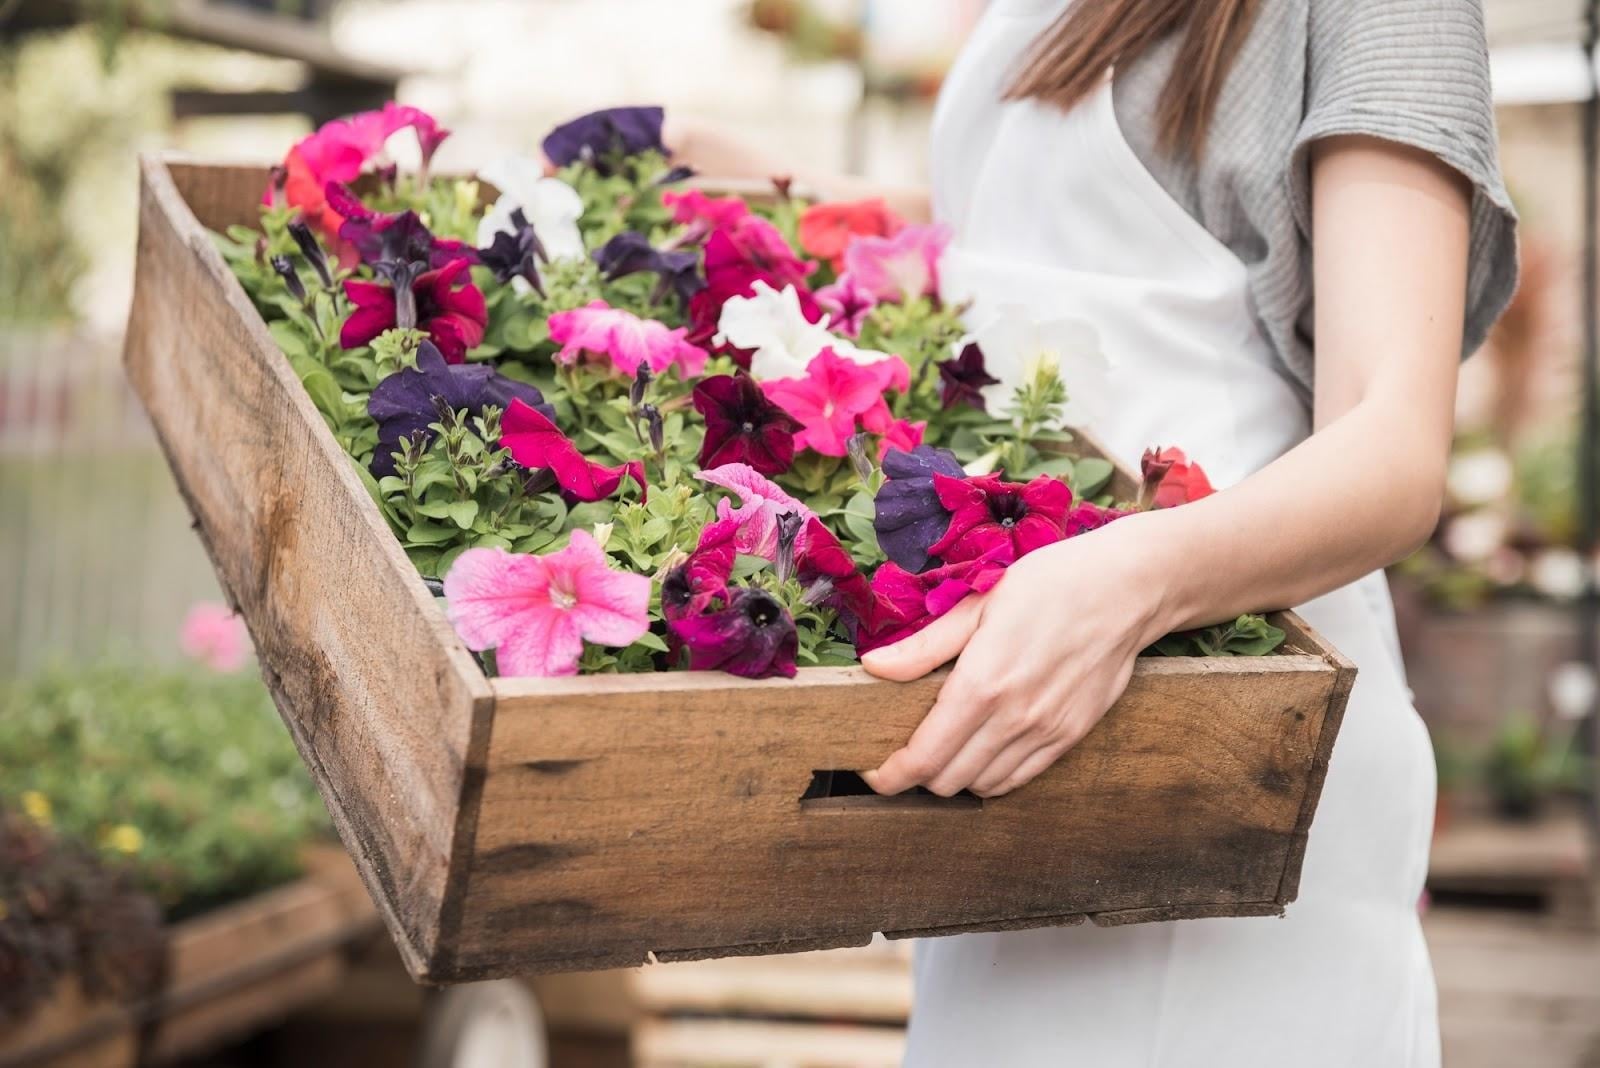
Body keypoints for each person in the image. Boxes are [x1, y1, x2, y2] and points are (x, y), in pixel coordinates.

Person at [669, 1, 1517, 1063]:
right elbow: (1025, 250)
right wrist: (771, 195)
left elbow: (1389, 446)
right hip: (1030, 711)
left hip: (1226, 719)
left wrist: (1121, 585)